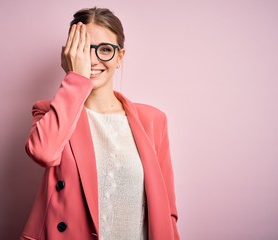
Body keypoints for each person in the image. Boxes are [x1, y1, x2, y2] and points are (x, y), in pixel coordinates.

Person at [21, 7, 179, 240]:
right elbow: (44, 153)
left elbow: (167, 209)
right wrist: (75, 80)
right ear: (69, 55)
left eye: (104, 49)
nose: (93, 60)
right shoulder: (49, 112)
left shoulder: (153, 120)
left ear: (120, 56)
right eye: (84, 49)